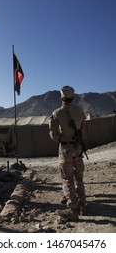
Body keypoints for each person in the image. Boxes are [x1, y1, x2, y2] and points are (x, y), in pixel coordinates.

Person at [49, 86, 86, 222]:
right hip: (78, 148)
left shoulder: (57, 113)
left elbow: (53, 134)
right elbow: (82, 128)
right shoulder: (80, 111)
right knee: (79, 177)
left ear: (61, 98)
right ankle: (83, 204)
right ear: (73, 98)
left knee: (67, 179)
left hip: (65, 149)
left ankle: (73, 209)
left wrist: (61, 138)